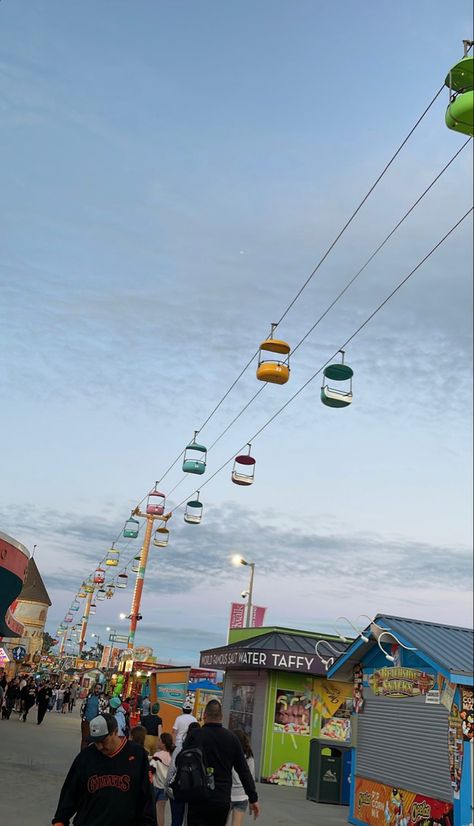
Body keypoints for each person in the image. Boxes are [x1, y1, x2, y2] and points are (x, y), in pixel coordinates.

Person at [52, 712, 156, 826]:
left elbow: (147, 796)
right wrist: (60, 820)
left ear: (115, 732)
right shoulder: (86, 757)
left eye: (103, 741)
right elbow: (70, 791)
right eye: (96, 742)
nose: (100, 746)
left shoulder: (137, 755)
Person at [183, 700, 259, 826]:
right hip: (221, 798)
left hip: (197, 796)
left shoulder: (195, 735)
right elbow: (244, 771)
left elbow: (181, 761)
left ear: (204, 716)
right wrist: (253, 798)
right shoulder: (232, 738)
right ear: (222, 717)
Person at [166, 721, 201, 826]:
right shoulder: (202, 748)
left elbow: (172, 769)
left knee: (176, 821)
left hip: (179, 788)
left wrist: (166, 787)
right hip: (195, 790)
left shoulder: (180, 747)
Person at [227, 730, 255, 825]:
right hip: (242, 796)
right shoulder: (249, 756)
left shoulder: (228, 754)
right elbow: (250, 778)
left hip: (227, 794)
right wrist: (252, 798)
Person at [149, 733, 174, 826]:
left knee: (152, 811)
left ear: (163, 743)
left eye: (159, 740)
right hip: (165, 788)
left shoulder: (157, 755)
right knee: (161, 812)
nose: (157, 741)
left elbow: (152, 769)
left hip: (155, 786)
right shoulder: (171, 756)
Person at [80, 684, 107, 749]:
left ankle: (89, 756)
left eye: (99, 689)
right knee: (85, 740)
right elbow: (82, 707)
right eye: (96, 688)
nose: (97, 690)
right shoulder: (88, 697)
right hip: (86, 721)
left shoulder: (102, 700)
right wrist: (83, 717)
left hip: (96, 723)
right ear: (94, 688)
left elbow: (104, 711)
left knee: (94, 741)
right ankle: (82, 756)